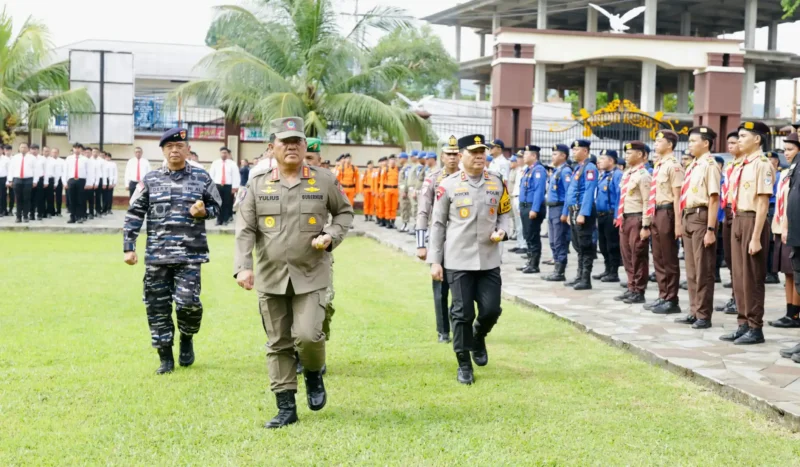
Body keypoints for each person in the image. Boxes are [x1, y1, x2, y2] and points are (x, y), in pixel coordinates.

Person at [234, 117, 353, 428]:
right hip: (271, 275)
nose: (291, 147)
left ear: (304, 145)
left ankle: (313, 373)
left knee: (309, 335)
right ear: (271, 147)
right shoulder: (257, 183)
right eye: (284, 142)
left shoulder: (324, 180)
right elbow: (245, 229)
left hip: (311, 273)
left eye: (297, 141)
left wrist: (331, 236)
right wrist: (243, 267)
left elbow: (344, 213)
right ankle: (286, 407)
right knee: (278, 343)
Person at [123, 128, 222, 375]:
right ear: (163, 151)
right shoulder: (150, 179)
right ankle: (165, 357)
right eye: (169, 147)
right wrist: (129, 247)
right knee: (157, 306)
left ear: (188, 149)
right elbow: (134, 213)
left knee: (188, 304)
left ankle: (187, 337)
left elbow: (218, 206)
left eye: (179, 146)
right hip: (157, 256)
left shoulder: (201, 177)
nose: (174, 150)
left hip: (190, 255)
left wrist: (204, 212)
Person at [429, 134, 510, 385]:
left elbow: (505, 213)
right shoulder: (448, 185)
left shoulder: (497, 181)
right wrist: (435, 261)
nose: (479, 156)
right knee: (462, 313)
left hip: (488, 259)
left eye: (482, 152)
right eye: (473, 152)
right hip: (458, 260)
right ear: (461, 155)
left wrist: (502, 231)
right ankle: (463, 363)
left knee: (491, 309)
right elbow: (438, 224)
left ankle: (478, 335)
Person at [719, 121, 774, 345]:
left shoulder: (762, 164)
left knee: (752, 277)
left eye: (743, 136)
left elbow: (762, 203)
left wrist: (756, 237)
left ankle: (755, 327)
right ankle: (742, 323)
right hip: (738, 218)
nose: (739, 140)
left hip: (753, 221)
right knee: (739, 276)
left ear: (757, 139)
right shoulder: (741, 164)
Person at [416, 136, 461, 343]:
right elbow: (423, 211)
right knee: (440, 289)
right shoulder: (433, 178)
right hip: (439, 240)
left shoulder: (466, 177)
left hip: (461, 239)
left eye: (455, 154)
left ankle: (458, 325)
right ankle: (443, 331)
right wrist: (421, 244)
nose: (452, 158)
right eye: (448, 154)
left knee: (462, 287)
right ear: (442, 157)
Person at [675, 126, 720, 330]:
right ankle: (693, 310)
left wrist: (710, 229)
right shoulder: (693, 164)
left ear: (706, 143)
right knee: (692, 270)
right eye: (690, 141)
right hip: (689, 215)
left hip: (702, 217)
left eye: (694, 141)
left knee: (703, 269)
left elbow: (714, 199)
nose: (690, 144)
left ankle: (703, 314)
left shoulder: (710, 165)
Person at [646, 130, 684, 315]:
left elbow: (678, 197)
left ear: (669, 144)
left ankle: (672, 299)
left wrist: (678, 223)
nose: (655, 144)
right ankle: (663, 295)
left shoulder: (674, 166)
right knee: (658, 256)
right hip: (656, 211)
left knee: (669, 257)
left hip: (667, 212)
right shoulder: (659, 164)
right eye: (655, 141)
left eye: (659, 141)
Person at [613, 141, 652, 304]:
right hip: (625, 218)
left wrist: (646, 225)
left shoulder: (644, 175)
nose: (626, 156)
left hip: (637, 218)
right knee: (627, 255)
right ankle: (631, 286)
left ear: (641, 155)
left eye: (630, 153)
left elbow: (647, 201)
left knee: (638, 255)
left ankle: (639, 290)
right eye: (626, 153)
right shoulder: (627, 173)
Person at [769, 132, 800, 329]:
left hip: (791, 229)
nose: (786, 153)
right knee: (787, 273)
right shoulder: (786, 172)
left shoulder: (797, 171)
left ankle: (795, 313)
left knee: (795, 272)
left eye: (791, 149)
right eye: (785, 150)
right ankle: (789, 311)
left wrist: (787, 227)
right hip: (781, 227)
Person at [564, 139, 599, 290]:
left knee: (585, 245)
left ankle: (586, 279)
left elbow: (589, 192)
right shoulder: (578, 167)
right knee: (577, 245)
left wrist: (583, 213)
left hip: (582, 211)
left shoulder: (590, 168)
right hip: (574, 209)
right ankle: (579, 276)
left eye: (577, 149)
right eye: (573, 150)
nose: (574, 152)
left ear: (585, 151)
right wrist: (568, 212)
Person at [543, 144, 574, 281]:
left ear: (563, 156)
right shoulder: (557, 171)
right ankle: (556, 269)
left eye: (555, 154)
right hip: (552, 209)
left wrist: (566, 212)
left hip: (560, 208)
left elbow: (569, 193)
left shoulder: (565, 171)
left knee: (559, 240)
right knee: (553, 241)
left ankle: (560, 271)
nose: (552, 157)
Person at [594, 149, 622, 283]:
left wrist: (617, 216)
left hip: (611, 215)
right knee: (603, 244)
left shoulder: (617, 175)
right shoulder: (603, 175)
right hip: (601, 215)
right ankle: (607, 269)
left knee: (612, 244)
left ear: (611, 161)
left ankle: (613, 272)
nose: (599, 161)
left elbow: (619, 196)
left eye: (602, 158)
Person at [518, 145, 547, 274]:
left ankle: (534, 264)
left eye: (526, 154)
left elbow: (539, 191)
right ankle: (529, 262)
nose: (523, 156)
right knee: (527, 235)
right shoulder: (528, 170)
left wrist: (534, 209)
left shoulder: (538, 170)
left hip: (532, 207)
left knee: (533, 236)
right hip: (525, 206)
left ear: (534, 156)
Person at [8, 143, 40, 223]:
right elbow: (11, 169)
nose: (23, 149)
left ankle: (25, 216)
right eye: (21, 147)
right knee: (18, 199)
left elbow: (36, 170)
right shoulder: (15, 158)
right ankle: (18, 216)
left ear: (28, 149)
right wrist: (10, 180)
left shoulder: (32, 158)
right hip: (17, 179)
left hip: (28, 180)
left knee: (27, 198)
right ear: (19, 148)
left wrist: (35, 181)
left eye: (25, 147)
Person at [209, 147, 240, 225]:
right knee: (218, 202)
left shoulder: (232, 164)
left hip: (228, 186)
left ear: (227, 154)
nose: (224, 154)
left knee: (227, 203)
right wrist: (211, 186)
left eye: (225, 153)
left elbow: (235, 176)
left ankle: (225, 219)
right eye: (222, 153)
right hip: (218, 185)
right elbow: (211, 175)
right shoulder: (215, 163)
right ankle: (219, 219)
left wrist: (235, 187)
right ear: (220, 153)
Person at [62, 144, 90, 223]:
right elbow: (65, 171)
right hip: (71, 180)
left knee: (80, 199)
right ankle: (72, 217)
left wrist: (88, 183)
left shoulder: (85, 159)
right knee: (71, 199)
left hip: (81, 180)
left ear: (81, 149)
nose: (77, 150)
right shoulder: (69, 158)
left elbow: (89, 172)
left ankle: (80, 216)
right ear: (73, 149)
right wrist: (64, 182)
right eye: (75, 148)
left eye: (78, 148)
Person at [765, 152, 781, 284]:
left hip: (773, 208)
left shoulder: (779, 175)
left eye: (772, 159)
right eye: (767, 159)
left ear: (777, 161)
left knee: (771, 243)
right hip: (764, 208)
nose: (769, 161)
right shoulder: (766, 174)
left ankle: (773, 273)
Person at [508, 153, 525, 253]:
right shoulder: (518, 170)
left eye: (520, 158)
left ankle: (523, 245)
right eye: (517, 158)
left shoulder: (526, 170)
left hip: (520, 198)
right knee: (518, 223)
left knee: (522, 223)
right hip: (515, 197)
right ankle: (519, 243)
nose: (518, 160)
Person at [381, 155, 400, 228]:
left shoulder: (397, 169)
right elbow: (382, 181)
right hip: (387, 190)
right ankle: (388, 222)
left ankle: (393, 222)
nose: (393, 161)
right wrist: (382, 191)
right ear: (389, 161)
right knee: (388, 206)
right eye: (391, 160)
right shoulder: (385, 169)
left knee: (394, 207)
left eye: (394, 160)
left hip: (395, 190)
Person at [397, 152, 412, 231]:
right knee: (403, 207)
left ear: (404, 159)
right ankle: (404, 223)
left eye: (400, 158)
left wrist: (405, 191)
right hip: (402, 190)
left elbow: (406, 180)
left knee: (405, 207)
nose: (399, 159)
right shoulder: (403, 168)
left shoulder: (407, 168)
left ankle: (406, 224)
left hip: (404, 191)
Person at [374, 157, 387, 226]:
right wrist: (375, 191)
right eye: (381, 162)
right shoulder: (376, 171)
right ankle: (379, 218)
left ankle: (384, 219)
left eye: (385, 161)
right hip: (378, 189)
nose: (383, 163)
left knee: (384, 206)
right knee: (379, 206)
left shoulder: (387, 169)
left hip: (385, 189)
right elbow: (374, 182)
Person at [0, 144, 8, 217]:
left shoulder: (6, 159)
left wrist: (8, 181)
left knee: (2, 195)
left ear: (2, 150)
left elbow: (9, 170)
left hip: (3, 179)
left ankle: (2, 210)